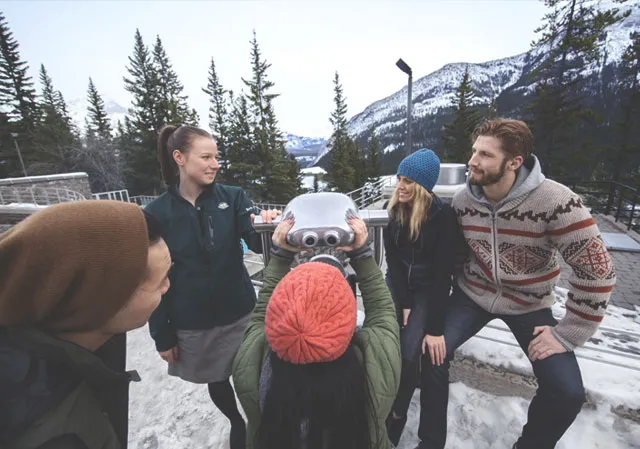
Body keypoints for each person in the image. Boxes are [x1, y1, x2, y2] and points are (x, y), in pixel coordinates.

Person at [417, 118, 617, 449]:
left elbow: (598, 270)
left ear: (514, 162)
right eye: (473, 151)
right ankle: (431, 442)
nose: (473, 161)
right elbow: (450, 258)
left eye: (485, 155)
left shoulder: (557, 202)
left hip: (530, 303)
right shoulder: (464, 202)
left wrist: (568, 333)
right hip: (473, 295)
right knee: (433, 353)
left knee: (567, 393)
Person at [145, 124, 279, 449]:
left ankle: (264, 427)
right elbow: (152, 279)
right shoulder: (156, 213)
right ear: (179, 157)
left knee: (255, 378)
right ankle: (236, 422)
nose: (215, 163)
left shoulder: (233, 198)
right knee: (217, 380)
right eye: (206, 156)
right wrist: (162, 335)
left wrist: (269, 227)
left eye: (216, 156)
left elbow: (258, 243)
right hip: (193, 322)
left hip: (240, 314)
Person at [0, 200, 171, 449]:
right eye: (161, 280)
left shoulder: (42, 364)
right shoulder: (57, 436)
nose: (168, 287)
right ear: (102, 300)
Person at [232, 215, 401, 449]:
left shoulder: (251, 364)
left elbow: (260, 313)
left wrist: (280, 256)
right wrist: (361, 254)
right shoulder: (376, 370)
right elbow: (383, 313)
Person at [382, 149, 463, 446]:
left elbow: (444, 276)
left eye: (408, 181)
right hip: (400, 285)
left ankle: (396, 414)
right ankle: (381, 398)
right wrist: (403, 302)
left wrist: (435, 329)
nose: (400, 186)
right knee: (384, 337)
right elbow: (392, 260)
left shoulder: (443, 218)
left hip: (429, 288)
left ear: (423, 186)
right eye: (400, 179)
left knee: (407, 350)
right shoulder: (394, 211)